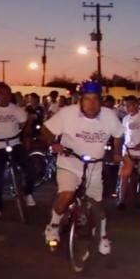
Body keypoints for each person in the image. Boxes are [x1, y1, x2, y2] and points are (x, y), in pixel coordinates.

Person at [41, 81, 123, 252]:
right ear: (80, 100)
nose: (91, 104)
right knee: (67, 195)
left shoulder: (109, 116)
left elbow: (118, 135)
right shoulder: (67, 113)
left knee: (98, 205)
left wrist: (117, 152)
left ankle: (102, 235)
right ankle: (54, 225)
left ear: (100, 100)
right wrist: (54, 143)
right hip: (69, 163)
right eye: (87, 99)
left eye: (95, 99)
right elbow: (46, 129)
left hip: (94, 166)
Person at [0, 82, 36, 218]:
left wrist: (25, 130)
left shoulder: (17, 110)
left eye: (7, 94)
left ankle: (28, 193)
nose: (4, 97)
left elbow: (23, 125)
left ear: (10, 95)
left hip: (14, 144)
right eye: (1, 94)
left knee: (30, 168)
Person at [117, 95, 140, 210]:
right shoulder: (125, 119)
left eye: (130, 105)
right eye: (126, 106)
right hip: (128, 151)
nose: (128, 108)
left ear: (136, 105)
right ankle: (122, 200)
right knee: (124, 176)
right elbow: (123, 134)